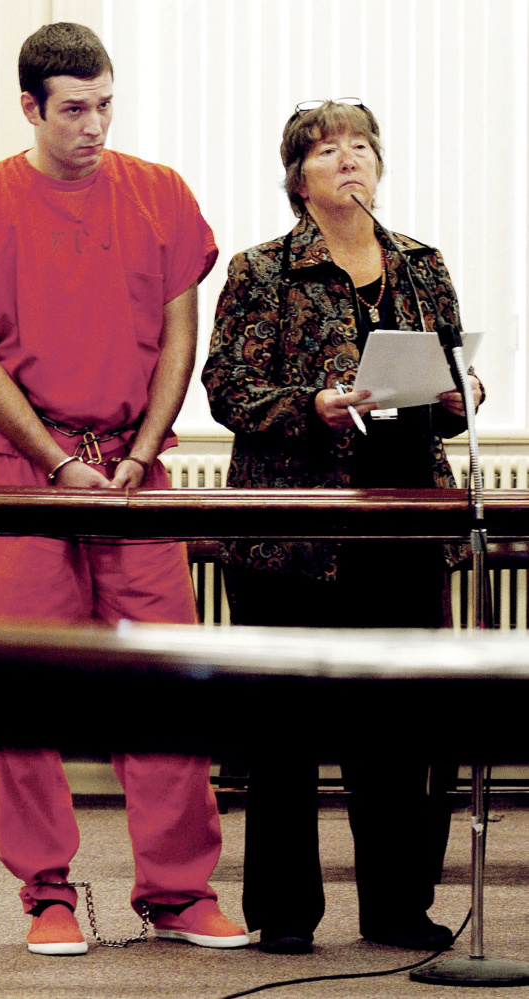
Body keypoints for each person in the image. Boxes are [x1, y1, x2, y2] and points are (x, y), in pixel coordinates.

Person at [0, 22, 249, 956]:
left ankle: (179, 892)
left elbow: (178, 338)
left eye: (105, 104)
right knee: (25, 689)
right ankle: (47, 891)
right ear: (30, 107)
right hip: (22, 469)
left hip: (134, 468)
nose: (94, 125)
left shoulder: (160, 195)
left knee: (167, 681)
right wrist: (60, 464)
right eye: (73, 110)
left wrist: (142, 455)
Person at [202, 99, 484, 955]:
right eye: (328, 149)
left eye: (360, 146)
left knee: (399, 732)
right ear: (297, 176)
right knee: (284, 734)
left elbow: (454, 388)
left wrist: (456, 398)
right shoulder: (261, 271)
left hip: (400, 524)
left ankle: (397, 906)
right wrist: (312, 405)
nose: (349, 160)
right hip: (293, 529)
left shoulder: (420, 264)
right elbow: (225, 389)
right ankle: (285, 914)